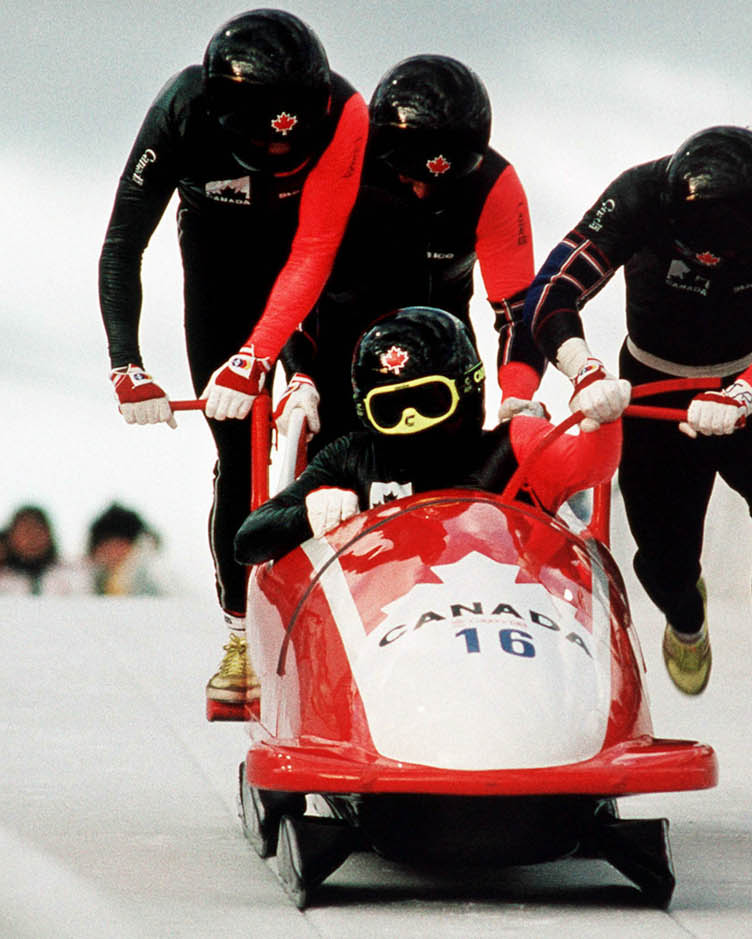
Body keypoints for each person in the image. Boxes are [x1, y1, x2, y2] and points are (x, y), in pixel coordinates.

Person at [524, 125, 752, 774]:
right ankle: (685, 611)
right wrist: (583, 369)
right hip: (653, 389)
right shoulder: (642, 194)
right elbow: (553, 290)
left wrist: (745, 396)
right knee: (662, 560)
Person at [97, 9, 368, 712]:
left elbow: (314, 253)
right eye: (262, 143)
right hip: (218, 266)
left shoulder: (345, 111)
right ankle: (239, 633)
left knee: (339, 439)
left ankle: (356, 624)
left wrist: (269, 358)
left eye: (291, 145)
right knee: (238, 453)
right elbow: (124, 244)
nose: (278, 154)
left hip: (311, 263)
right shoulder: (182, 109)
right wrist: (126, 362)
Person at [277, 54, 545, 457]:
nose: (422, 192)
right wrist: (299, 374)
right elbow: (284, 277)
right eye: (408, 176)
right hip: (339, 353)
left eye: (442, 184)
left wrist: (517, 395)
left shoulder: (496, 186)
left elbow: (518, 311)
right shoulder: (343, 161)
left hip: (444, 359)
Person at [235, 306, 620, 564]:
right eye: (389, 408)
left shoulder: (515, 445)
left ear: (466, 391)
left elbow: (593, 465)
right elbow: (249, 539)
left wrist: (602, 418)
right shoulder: (349, 458)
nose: (410, 420)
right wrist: (306, 517)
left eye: (428, 400)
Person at [85, 503, 164, 597]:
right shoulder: (98, 577)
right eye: (105, 548)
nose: (112, 554)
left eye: (118, 545)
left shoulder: (156, 575)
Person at [0, 506, 80, 596]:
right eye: (25, 532)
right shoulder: (3, 579)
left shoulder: (72, 575)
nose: (32, 539)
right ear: (11, 537)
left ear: (49, 535)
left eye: (37, 531)